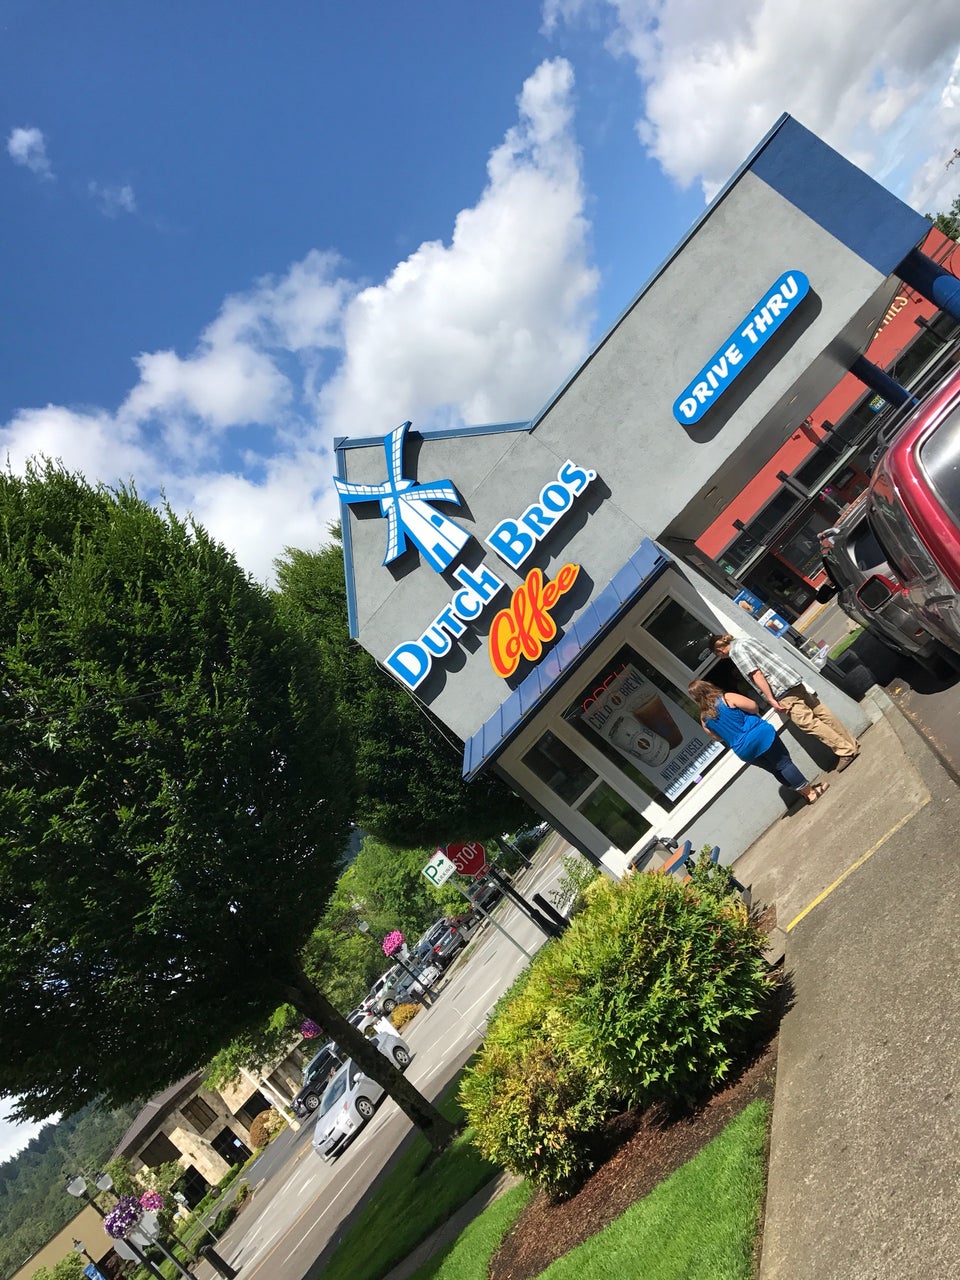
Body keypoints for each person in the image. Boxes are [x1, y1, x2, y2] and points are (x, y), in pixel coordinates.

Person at [709, 632, 860, 771]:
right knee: (822, 712)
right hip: (791, 680)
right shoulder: (747, 640)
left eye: (718, 655)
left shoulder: (736, 652)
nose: (721, 658)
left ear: (720, 650)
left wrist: (770, 698)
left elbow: (756, 673)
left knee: (810, 724)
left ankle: (844, 750)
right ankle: (851, 743)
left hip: (781, 690)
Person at [688, 680, 828, 804]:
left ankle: (804, 793)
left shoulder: (704, 719)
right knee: (784, 764)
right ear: (708, 687)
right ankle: (811, 793)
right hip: (761, 736)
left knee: (775, 770)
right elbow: (753, 706)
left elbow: (717, 738)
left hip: (744, 750)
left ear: (696, 698)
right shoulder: (727, 698)